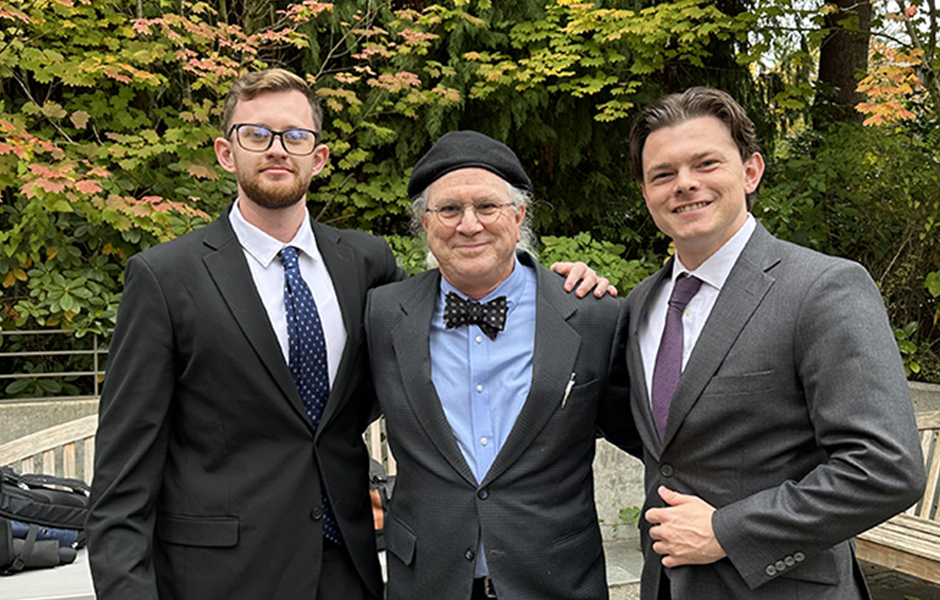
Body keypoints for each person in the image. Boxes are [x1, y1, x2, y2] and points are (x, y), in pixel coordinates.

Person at [86, 69, 609, 600]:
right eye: (255, 134)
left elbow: (464, 303)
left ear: (319, 157)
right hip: (219, 577)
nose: (276, 150)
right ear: (226, 152)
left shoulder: (367, 265)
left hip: (347, 569)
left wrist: (551, 280)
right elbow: (121, 476)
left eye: (295, 136)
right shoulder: (165, 276)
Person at [624, 86, 926, 600]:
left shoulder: (823, 288)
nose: (685, 185)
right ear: (646, 191)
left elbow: (886, 468)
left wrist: (728, 530)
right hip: (668, 586)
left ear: (750, 171)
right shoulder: (638, 305)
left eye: (705, 163)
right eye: (663, 174)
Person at [364, 130, 643, 600]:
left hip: (557, 580)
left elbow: (651, 438)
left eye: (487, 207)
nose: (468, 224)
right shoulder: (383, 314)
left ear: (518, 216)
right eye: (449, 209)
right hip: (428, 582)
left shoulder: (593, 315)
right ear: (425, 224)